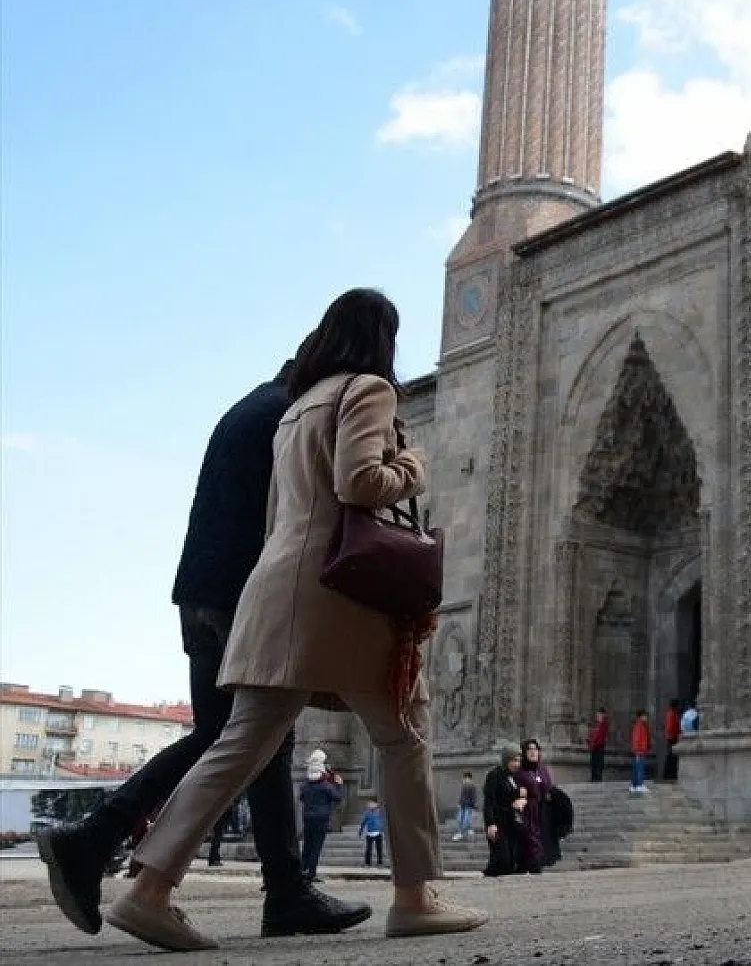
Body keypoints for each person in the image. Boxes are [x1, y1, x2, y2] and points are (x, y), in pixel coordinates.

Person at [100, 288, 488, 951]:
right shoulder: (368, 390)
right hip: (339, 602)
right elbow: (359, 483)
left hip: (276, 591)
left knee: (238, 746)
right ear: (380, 339)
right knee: (403, 737)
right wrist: (414, 467)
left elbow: (290, 510)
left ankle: (149, 889)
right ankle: (415, 897)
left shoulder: (297, 406)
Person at [38, 358, 369, 941]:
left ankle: (284, 891)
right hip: (241, 591)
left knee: (232, 736)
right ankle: (94, 840)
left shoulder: (249, 407)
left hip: (199, 592)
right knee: (253, 734)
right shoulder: (298, 412)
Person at [481, 745, 527, 878]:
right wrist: (490, 823)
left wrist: (522, 800)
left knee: (511, 862)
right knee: (503, 861)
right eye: (513, 760)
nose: (516, 764)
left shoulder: (515, 777)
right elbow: (490, 801)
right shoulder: (494, 775)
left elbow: (514, 797)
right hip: (498, 822)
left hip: (512, 823)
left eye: (518, 760)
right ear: (506, 760)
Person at [297, 750, 344, 881]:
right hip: (321, 818)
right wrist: (339, 785)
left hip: (307, 817)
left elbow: (301, 798)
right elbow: (337, 798)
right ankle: (311, 873)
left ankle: (302, 871)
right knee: (316, 847)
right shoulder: (326, 786)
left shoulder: (305, 786)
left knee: (307, 845)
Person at [517, 739, 559, 870]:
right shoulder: (520, 772)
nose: (533, 752)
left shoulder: (542, 770)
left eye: (535, 749)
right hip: (528, 811)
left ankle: (539, 862)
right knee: (530, 840)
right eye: (529, 749)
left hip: (542, 811)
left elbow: (548, 787)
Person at [629, 709, 652, 794]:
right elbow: (636, 739)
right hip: (640, 751)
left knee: (636, 768)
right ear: (642, 716)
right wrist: (638, 751)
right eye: (645, 716)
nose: (646, 718)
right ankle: (639, 785)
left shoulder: (639, 725)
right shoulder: (640, 725)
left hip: (639, 750)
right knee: (640, 768)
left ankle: (634, 785)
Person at [358, 798, 385, 869]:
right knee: (368, 849)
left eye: (372, 803)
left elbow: (383, 821)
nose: (370, 805)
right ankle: (367, 863)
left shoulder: (379, 812)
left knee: (379, 849)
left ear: (376, 804)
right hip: (369, 833)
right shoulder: (367, 813)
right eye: (369, 804)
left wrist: (382, 829)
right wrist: (360, 831)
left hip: (378, 833)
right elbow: (363, 823)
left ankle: (380, 863)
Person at [661, 699, 682, 782]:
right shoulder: (672, 714)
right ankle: (669, 775)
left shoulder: (670, 714)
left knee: (671, 756)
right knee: (671, 756)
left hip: (671, 737)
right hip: (672, 738)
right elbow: (670, 727)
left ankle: (669, 774)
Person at [586, 709, 610, 783]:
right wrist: (589, 741)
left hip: (599, 745)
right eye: (597, 715)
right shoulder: (596, 724)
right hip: (594, 746)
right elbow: (592, 734)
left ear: (603, 715)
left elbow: (600, 736)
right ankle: (593, 777)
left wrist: (593, 742)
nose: (598, 716)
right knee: (593, 762)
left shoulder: (604, 724)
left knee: (598, 762)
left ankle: (598, 777)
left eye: (599, 715)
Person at [452, 771, 478, 841]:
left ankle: (464, 832)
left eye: (465, 779)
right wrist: (459, 804)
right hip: (463, 805)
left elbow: (474, 797)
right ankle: (462, 832)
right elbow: (462, 797)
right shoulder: (464, 786)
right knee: (460, 819)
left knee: (466, 819)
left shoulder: (472, 786)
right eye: (464, 779)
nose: (464, 780)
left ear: (469, 779)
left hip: (468, 806)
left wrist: (473, 807)